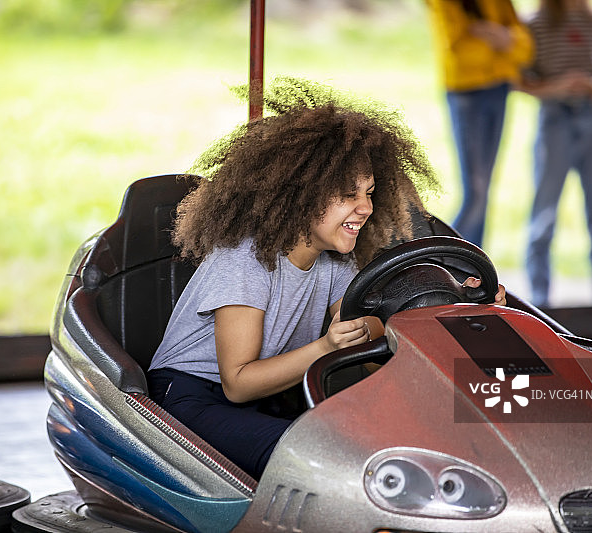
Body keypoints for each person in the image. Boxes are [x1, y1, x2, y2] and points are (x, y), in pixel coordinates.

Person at [147, 79, 507, 479]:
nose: (366, 208)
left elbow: (363, 335)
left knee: (389, 443)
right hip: (188, 400)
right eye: (348, 195)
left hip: (271, 396)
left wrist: (455, 311)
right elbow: (239, 382)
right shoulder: (245, 260)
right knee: (316, 461)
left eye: (370, 193)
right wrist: (327, 345)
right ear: (299, 195)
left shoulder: (334, 260)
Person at [519, 0, 592, 307]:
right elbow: (522, 81)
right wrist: (560, 86)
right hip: (556, 118)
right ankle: (540, 301)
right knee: (544, 212)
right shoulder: (535, 23)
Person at [427, 0, 534, 246]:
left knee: (484, 190)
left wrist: (495, 37)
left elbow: (527, 47)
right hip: (467, 93)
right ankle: (438, 257)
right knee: (475, 191)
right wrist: (504, 42)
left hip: (498, 89)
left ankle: (473, 270)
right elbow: (459, 53)